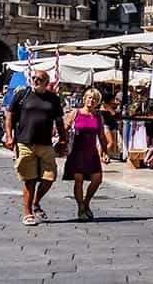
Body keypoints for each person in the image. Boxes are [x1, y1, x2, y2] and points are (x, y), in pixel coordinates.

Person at [4, 71, 66, 226]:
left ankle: (36, 202)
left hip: (46, 143)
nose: (36, 80)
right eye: (34, 78)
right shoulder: (22, 94)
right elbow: (10, 115)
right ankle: (27, 213)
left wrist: (64, 139)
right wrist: (9, 136)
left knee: (49, 177)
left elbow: (59, 121)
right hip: (25, 142)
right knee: (29, 180)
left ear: (47, 82)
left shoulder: (53, 99)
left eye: (40, 79)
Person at [63, 88, 109, 221]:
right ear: (84, 98)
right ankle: (81, 208)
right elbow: (65, 127)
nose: (91, 100)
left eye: (94, 99)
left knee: (97, 179)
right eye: (89, 97)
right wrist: (64, 142)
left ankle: (86, 202)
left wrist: (105, 151)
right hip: (77, 151)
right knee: (79, 180)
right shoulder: (75, 113)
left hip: (91, 152)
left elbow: (101, 135)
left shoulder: (98, 116)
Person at [99, 93, 119, 161]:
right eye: (113, 99)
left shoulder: (103, 105)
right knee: (111, 142)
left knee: (104, 142)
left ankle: (100, 156)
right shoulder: (107, 106)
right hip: (105, 126)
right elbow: (113, 113)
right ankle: (102, 155)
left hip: (103, 125)